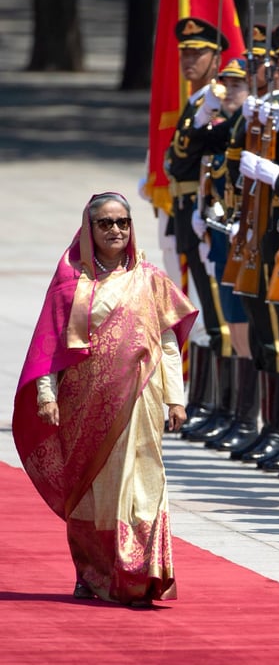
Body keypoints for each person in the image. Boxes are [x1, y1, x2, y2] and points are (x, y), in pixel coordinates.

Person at [12, 192, 197, 606]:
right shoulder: (70, 284)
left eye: (123, 223)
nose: (116, 230)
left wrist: (176, 399)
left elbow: (167, 345)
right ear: (88, 230)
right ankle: (93, 573)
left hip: (139, 399)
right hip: (83, 404)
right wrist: (46, 395)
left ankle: (139, 575)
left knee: (143, 484)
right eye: (106, 223)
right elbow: (50, 348)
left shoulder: (150, 279)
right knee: (93, 490)